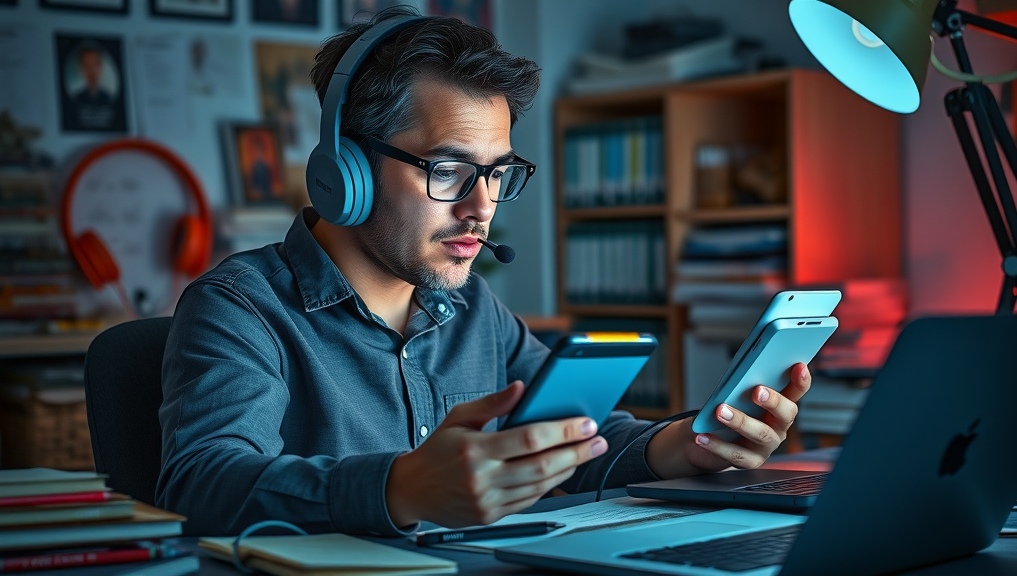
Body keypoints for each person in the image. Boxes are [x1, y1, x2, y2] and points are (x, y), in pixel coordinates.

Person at [157, 6, 812, 537]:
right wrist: (399, 488)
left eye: (498, 174)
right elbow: (200, 483)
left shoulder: (473, 312)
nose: (482, 208)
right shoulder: (240, 308)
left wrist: (687, 446)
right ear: (345, 172)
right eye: (449, 171)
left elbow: (570, 433)